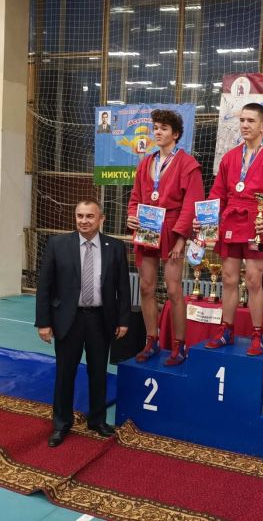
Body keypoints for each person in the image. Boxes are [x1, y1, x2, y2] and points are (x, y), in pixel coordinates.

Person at [199, 103, 263, 356]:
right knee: (229, 278)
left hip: (257, 225)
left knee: (253, 279)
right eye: (242, 120)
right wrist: (205, 219)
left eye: (250, 121)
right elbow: (217, 194)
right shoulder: (230, 158)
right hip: (231, 223)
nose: (244, 125)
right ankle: (226, 330)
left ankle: (257, 334)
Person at [35, 199, 131, 448]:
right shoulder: (57, 244)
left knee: (98, 372)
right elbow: (44, 286)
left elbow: (123, 287)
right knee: (64, 373)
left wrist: (123, 320)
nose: (84, 221)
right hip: (68, 319)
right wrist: (43, 322)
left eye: (89, 216)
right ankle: (61, 423)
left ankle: (97, 420)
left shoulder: (115, 247)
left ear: (101, 219)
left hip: (101, 319)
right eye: (80, 216)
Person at [128, 109, 204, 366]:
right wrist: (132, 217)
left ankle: (180, 345)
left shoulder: (188, 164)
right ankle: (151, 340)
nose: (158, 132)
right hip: (148, 227)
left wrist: (181, 239)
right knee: (146, 287)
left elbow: (192, 203)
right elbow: (135, 198)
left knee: (173, 289)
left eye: (163, 128)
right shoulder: (145, 163)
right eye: (156, 128)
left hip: (172, 229)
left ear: (176, 134)